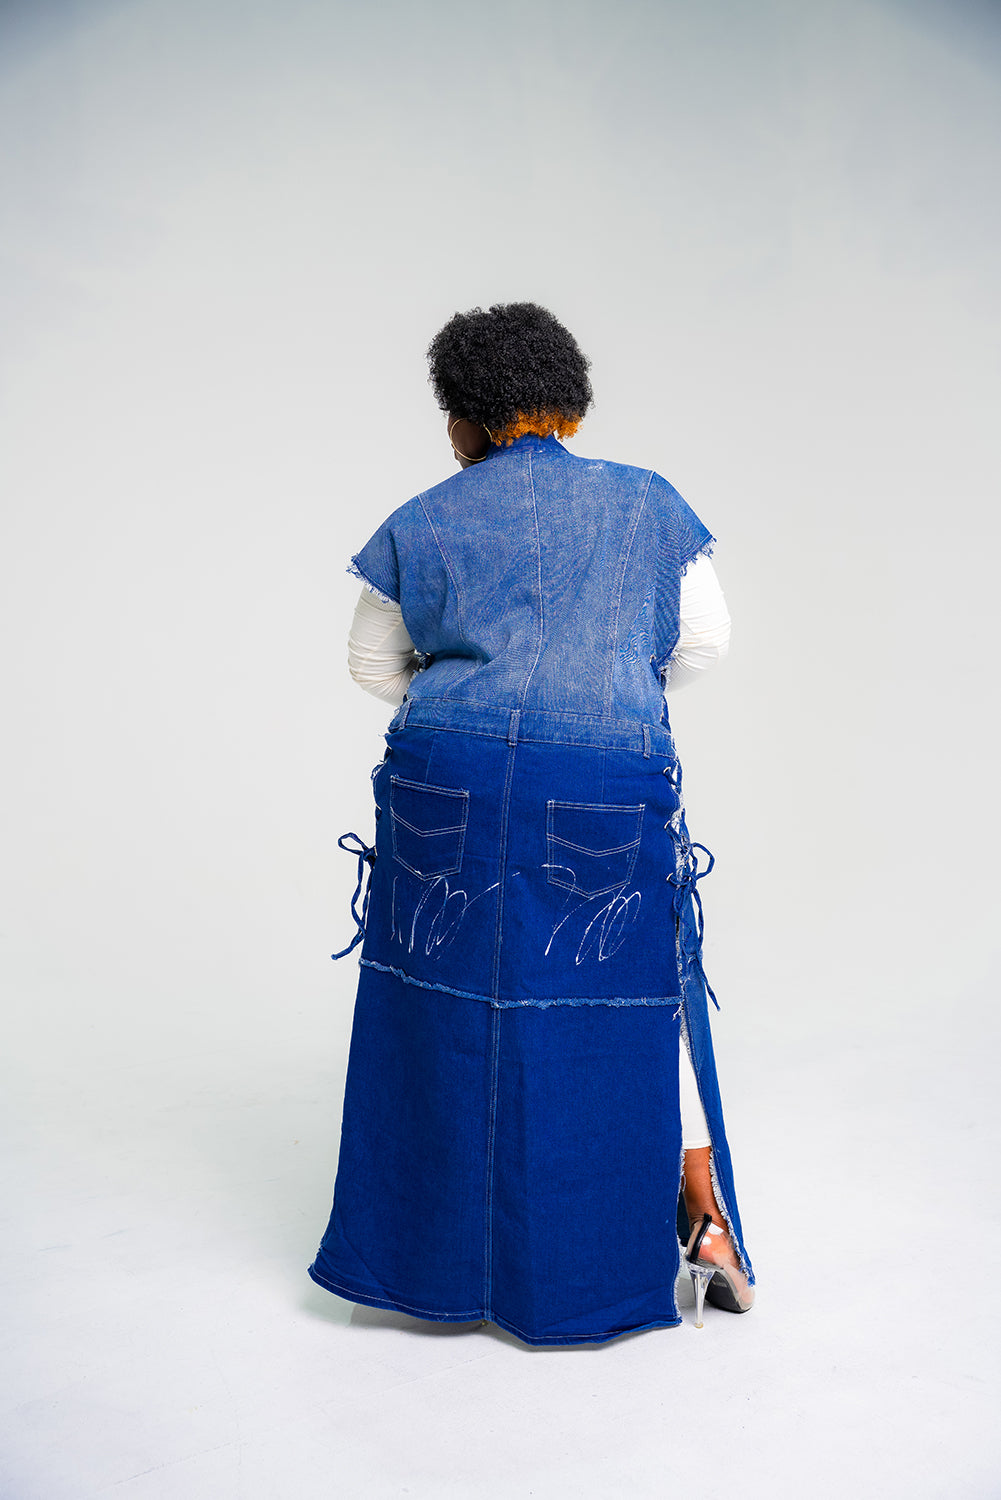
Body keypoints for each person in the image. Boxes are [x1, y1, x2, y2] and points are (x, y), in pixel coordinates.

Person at [308, 302, 754, 1343]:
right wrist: (601, 696)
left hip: (444, 779)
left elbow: (371, 665)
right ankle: (700, 1224)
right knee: (630, 993)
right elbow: (702, 642)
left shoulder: (422, 518)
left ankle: (432, 1269)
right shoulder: (646, 505)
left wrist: (468, 704)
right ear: (571, 407)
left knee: (439, 1007)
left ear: (461, 420)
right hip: (600, 775)